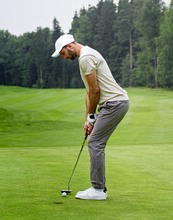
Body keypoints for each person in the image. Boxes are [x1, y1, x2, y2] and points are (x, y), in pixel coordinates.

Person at [52, 34, 129, 200]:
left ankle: (98, 190)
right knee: (95, 141)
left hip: (114, 104)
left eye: (63, 53)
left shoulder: (85, 58)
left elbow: (95, 91)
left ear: (69, 46)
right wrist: (89, 118)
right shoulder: (85, 55)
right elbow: (89, 91)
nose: (64, 57)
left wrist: (93, 115)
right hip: (113, 104)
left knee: (94, 142)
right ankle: (98, 188)